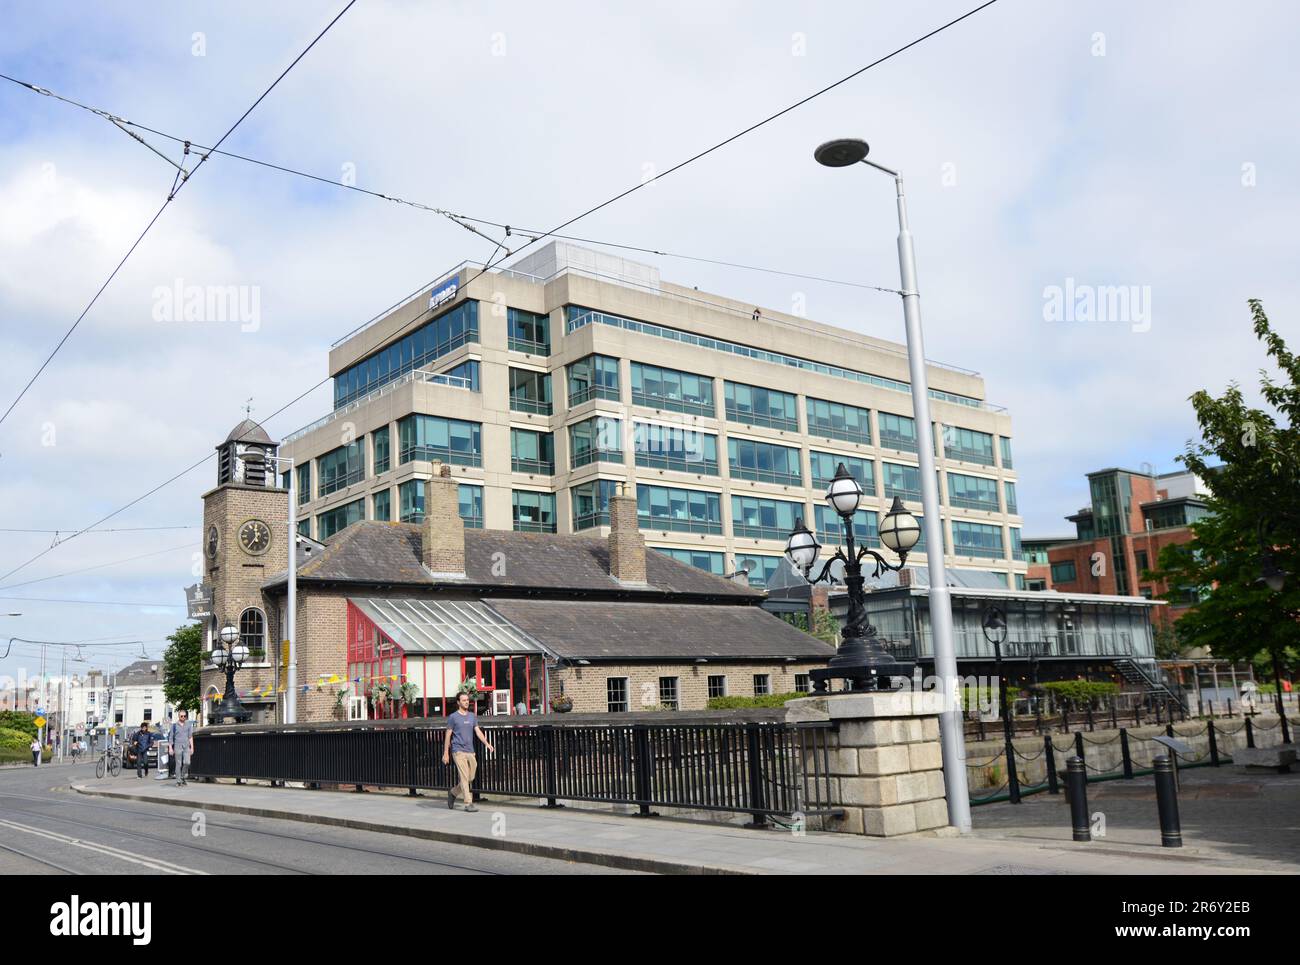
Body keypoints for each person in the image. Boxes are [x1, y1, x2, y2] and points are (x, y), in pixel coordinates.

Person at [441, 691, 494, 811]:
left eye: (467, 700)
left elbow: (478, 731)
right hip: (458, 750)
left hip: (470, 751)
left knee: (470, 777)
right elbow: (448, 735)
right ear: (458, 702)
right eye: (464, 700)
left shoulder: (472, 716)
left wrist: (486, 743)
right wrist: (446, 753)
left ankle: (453, 792)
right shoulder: (453, 717)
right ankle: (468, 803)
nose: (466, 702)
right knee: (464, 777)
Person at [169, 709, 194, 787]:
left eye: (184, 716)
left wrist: (192, 747)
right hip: (177, 746)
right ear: (179, 716)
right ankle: (178, 780)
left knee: (187, 762)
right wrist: (170, 748)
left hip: (186, 746)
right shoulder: (174, 726)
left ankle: (182, 776)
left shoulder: (188, 724)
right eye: (181, 716)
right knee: (178, 764)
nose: (183, 717)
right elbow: (171, 738)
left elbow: (190, 737)